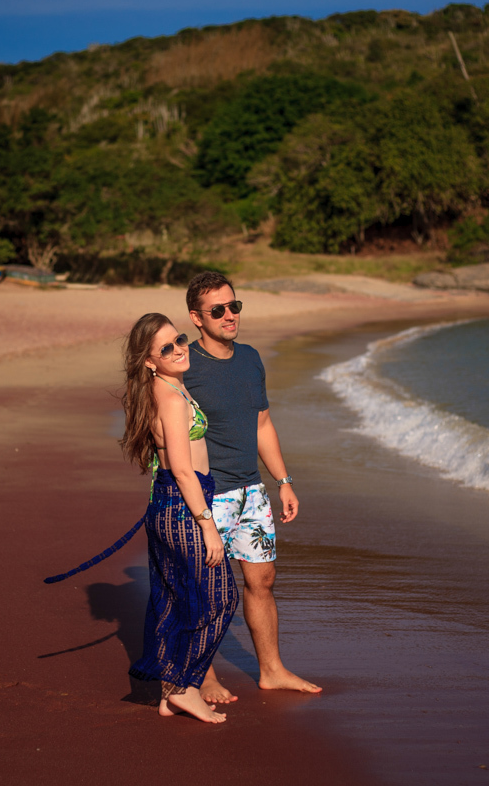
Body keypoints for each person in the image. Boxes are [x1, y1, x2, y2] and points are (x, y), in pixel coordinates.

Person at [183, 272, 322, 702]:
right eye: (218, 310)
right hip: (209, 492)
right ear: (196, 318)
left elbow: (262, 423)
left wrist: (283, 481)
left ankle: (272, 670)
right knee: (207, 586)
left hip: (251, 491)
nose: (229, 316)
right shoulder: (184, 365)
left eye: (234, 306)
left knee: (262, 579)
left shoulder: (250, 358)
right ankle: (201, 677)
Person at [120, 312, 239, 723]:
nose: (178, 349)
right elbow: (183, 469)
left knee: (175, 601)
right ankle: (187, 687)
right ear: (150, 361)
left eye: (180, 340)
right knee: (220, 599)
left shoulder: (165, 388)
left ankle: (169, 693)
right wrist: (208, 526)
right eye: (166, 348)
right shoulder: (169, 397)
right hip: (184, 506)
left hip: (171, 504)